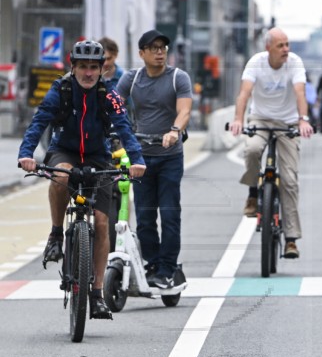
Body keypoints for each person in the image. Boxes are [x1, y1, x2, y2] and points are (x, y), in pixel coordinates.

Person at [18, 40, 146, 319]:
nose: (88, 73)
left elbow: (124, 127)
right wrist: (26, 153)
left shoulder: (109, 94)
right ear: (73, 67)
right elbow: (39, 122)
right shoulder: (60, 89)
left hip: (98, 156)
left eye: (94, 68)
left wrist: (137, 160)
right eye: (83, 67)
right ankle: (55, 233)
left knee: (101, 223)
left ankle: (97, 294)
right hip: (65, 150)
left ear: (102, 70)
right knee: (60, 173)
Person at [115, 29, 193, 289]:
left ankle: (168, 268)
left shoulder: (178, 78)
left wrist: (174, 130)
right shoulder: (131, 78)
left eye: (163, 48)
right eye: (154, 48)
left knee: (170, 214)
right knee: (146, 217)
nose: (160, 52)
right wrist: (112, 131)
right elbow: (113, 106)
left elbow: (184, 110)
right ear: (142, 53)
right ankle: (153, 264)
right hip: (141, 158)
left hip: (170, 157)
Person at [228, 27, 314, 259]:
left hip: (287, 123)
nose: (286, 49)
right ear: (268, 48)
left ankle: (291, 239)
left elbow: (299, 93)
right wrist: (238, 119)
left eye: (287, 44)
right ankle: (253, 194)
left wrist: (303, 121)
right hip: (261, 118)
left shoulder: (294, 63)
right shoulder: (256, 62)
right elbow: (244, 93)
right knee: (253, 149)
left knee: (289, 181)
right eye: (280, 46)